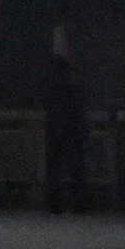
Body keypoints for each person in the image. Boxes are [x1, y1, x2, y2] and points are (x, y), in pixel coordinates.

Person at [43, 47, 88, 213]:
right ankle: (78, 202)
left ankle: (54, 202)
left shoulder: (53, 87)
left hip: (57, 128)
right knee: (75, 166)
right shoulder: (73, 87)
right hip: (72, 129)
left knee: (55, 167)